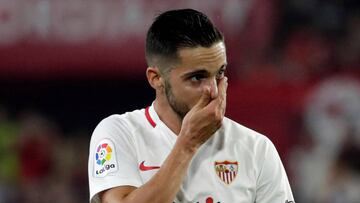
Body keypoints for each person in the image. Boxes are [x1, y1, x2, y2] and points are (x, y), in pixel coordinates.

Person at [88, 8, 294, 203]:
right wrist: (187, 143)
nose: (213, 90)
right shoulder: (120, 133)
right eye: (197, 77)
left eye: (219, 73)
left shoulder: (256, 148)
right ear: (156, 78)